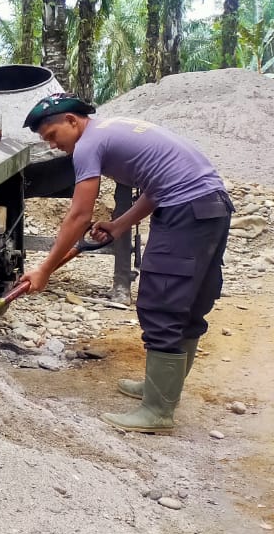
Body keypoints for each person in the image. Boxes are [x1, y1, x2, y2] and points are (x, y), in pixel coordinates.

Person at [20, 95, 232, 434]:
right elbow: (156, 187)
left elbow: (79, 215)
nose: (52, 144)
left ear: (73, 121)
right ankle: (160, 390)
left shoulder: (88, 143)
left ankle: (158, 412)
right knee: (187, 305)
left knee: (161, 302)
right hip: (210, 207)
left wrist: (44, 269)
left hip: (186, 211)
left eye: (51, 134)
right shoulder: (110, 130)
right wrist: (119, 225)